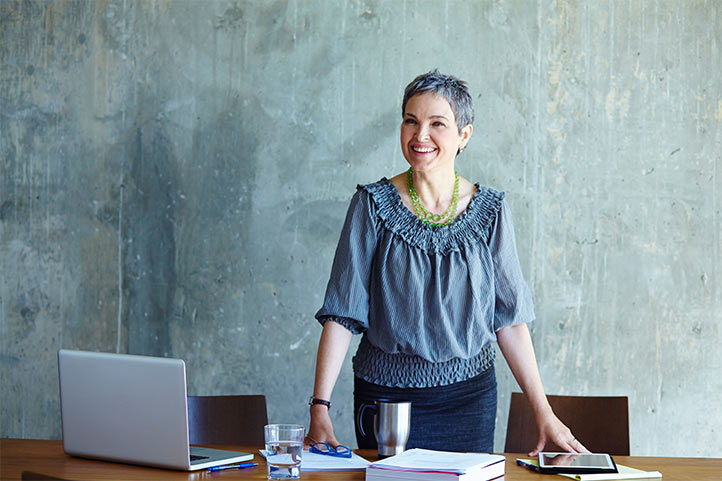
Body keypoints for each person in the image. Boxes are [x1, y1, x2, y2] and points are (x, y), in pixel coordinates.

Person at [306, 69, 589, 455]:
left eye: (437, 123)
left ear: (464, 135)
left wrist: (543, 411)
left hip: (468, 398)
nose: (420, 135)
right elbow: (342, 313)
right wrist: (319, 407)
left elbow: (509, 320)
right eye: (411, 121)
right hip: (386, 399)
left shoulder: (490, 211)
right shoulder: (371, 205)